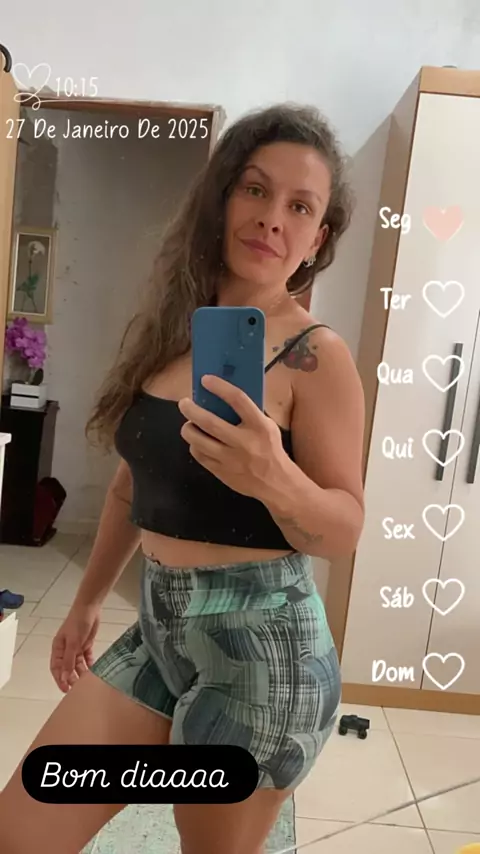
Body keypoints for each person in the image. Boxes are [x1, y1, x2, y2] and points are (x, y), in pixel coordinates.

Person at [0, 103, 365, 854]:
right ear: (222, 197)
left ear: (317, 239)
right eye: (255, 189)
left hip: (264, 656)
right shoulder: (174, 333)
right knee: (20, 829)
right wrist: (88, 601)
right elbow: (131, 487)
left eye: (300, 207)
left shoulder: (315, 356)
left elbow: (344, 528)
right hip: (161, 630)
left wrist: (274, 476)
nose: (272, 218)